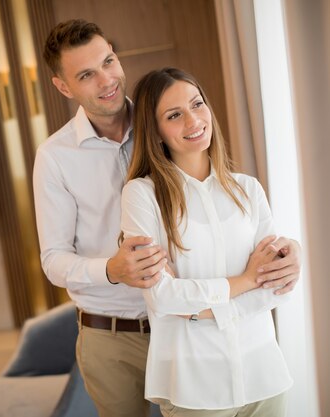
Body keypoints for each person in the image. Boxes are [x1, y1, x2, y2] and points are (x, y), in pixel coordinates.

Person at [33, 19, 301, 417]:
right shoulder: (56, 157)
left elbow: (241, 244)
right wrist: (112, 269)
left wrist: (287, 249)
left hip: (192, 331)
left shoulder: (162, 117)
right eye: (87, 75)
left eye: (108, 61)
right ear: (63, 86)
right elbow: (53, 259)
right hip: (115, 333)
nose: (106, 79)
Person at [120, 67, 293, 417]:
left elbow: (276, 287)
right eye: (174, 115)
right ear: (155, 132)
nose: (193, 120)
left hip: (263, 373)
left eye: (197, 104)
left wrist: (198, 311)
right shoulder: (142, 196)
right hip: (194, 386)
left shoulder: (248, 189)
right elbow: (162, 296)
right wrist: (245, 281)